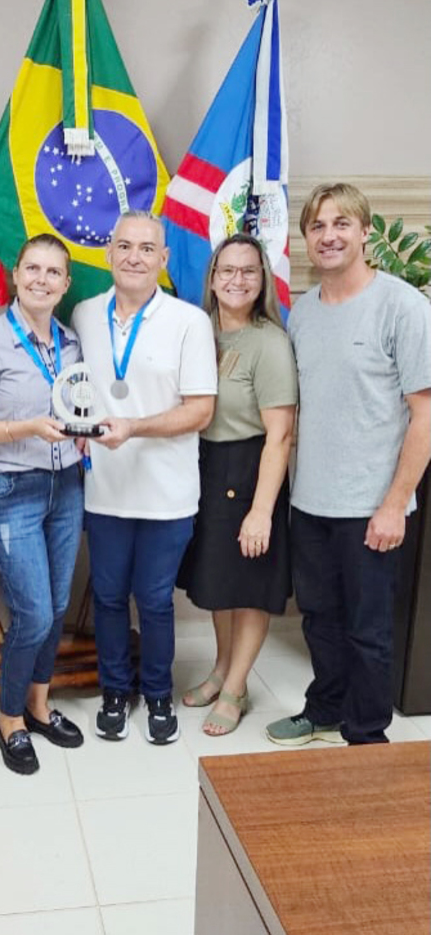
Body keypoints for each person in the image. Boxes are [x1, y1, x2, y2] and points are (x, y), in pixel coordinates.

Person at [266, 183, 431, 747]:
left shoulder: (404, 307)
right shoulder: (302, 314)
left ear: (365, 232)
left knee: (369, 632)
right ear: (306, 239)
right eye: (317, 226)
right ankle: (326, 707)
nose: (329, 235)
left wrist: (393, 505)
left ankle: (366, 735)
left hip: (372, 508)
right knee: (319, 619)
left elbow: (425, 415)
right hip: (311, 502)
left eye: (342, 224)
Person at [72, 211, 217, 745]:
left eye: (146, 248)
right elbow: (77, 387)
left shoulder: (189, 321)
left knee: (154, 600)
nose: (134, 257)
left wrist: (135, 427)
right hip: (104, 489)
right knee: (108, 597)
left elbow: (200, 410)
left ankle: (156, 693)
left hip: (167, 493)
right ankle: (116, 690)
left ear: (164, 258)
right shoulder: (85, 313)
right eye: (124, 246)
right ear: (108, 253)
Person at [0, 234, 84, 775]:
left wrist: (81, 432)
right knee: (31, 612)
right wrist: (27, 429)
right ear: (16, 273)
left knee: (55, 609)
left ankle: (38, 704)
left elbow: (74, 403)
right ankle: (9, 719)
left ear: (66, 283)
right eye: (33, 268)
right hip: (8, 490)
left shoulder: (71, 340)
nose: (42, 280)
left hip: (66, 487)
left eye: (54, 272)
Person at [177, 233, 297, 735]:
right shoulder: (198, 330)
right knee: (218, 585)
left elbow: (281, 434)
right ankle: (222, 670)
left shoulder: (268, 341)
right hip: (204, 466)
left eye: (249, 271)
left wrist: (261, 511)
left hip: (250, 471)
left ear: (263, 279)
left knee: (249, 588)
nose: (237, 280)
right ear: (211, 278)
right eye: (227, 270)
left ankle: (237, 687)